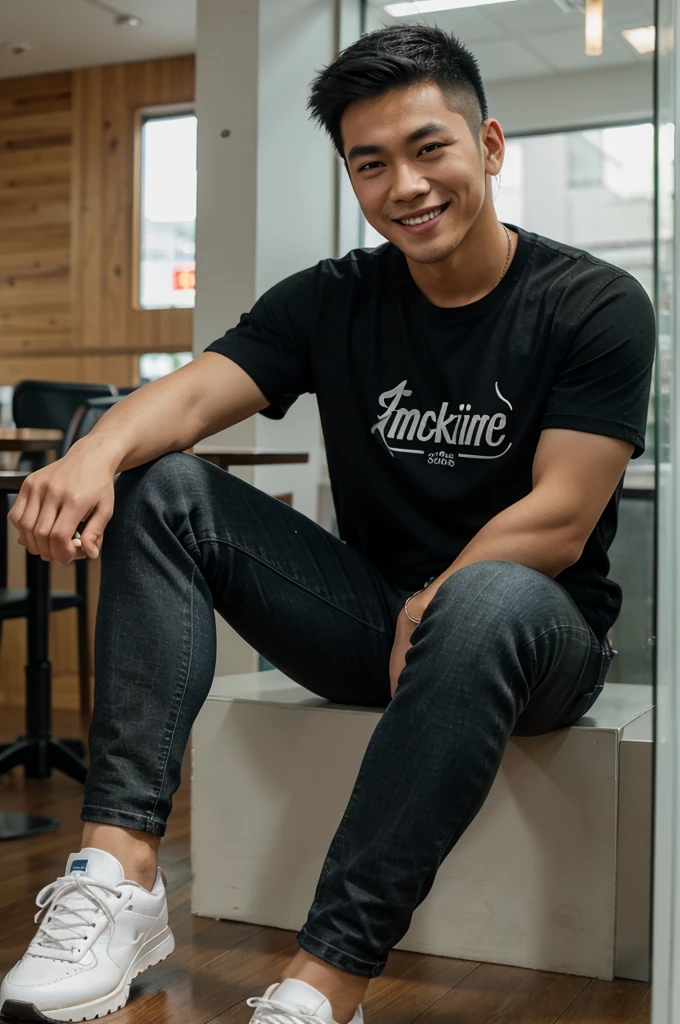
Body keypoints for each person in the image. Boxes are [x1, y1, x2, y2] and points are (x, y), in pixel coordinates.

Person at [1, 22, 655, 1024]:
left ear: (486, 145)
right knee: (163, 485)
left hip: (536, 635)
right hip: (372, 622)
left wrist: (441, 596)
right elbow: (185, 398)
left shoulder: (591, 303)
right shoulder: (333, 299)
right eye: (370, 163)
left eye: (428, 147)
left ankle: (324, 981)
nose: (404, 185)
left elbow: (561, 515)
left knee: (479, 598)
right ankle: (122, 871)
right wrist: (91, 450)